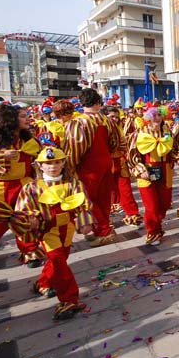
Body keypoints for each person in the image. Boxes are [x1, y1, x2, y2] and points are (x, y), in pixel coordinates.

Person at [14, 146, 92, 319]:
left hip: (68, 229)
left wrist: (85, 223)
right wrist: (31, 219)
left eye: (57, 162)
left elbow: (84, 206)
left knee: (59, 259)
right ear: (40, 165)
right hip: (48, 232)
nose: (53, 166)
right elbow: (23, 210)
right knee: (58, 261)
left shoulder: (74, 184)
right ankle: (69, 299)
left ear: (64, 163)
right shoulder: (32, 188)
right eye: (48, 163)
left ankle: (42, 282)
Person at [0, 105, 44, 265]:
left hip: (24, 183)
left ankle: (30, 250)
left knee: (26, 216)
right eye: (23, 116)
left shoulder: (27, 136)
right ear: (10, 119)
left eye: (28, 115)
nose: (28, 118)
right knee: (0, 222)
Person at [64, 89, 120, 248]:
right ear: (97, 102)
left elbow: (74, 147)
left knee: (86, 198)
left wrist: (70, 167)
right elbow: (115, 142)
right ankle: (102, 228)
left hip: (88, 165)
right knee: (103, 197)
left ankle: (103, 230)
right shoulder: (106, 120)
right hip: (106, 161)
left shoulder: (78, 122)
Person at [129, 106, 175, 246]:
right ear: (148, 118)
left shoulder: (167, 131)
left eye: (159, 115)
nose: (156, 118)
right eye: (153, 115)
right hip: (147, 171)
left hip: (165, 170)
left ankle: (156, 222)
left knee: (165, 203)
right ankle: (153, 232)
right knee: (151, 205)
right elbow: (131, 155)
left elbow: (174, 150)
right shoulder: (139, 133)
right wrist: (140, 170)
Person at [101, 105, 141, 226]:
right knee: (105, 193)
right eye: (111, 117)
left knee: (126, 190)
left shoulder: (120, 128)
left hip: (121, 162)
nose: (115, 119)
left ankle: (133, 214)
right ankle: (104, 221)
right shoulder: (100, 129)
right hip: (106, 164)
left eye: (117, 117)